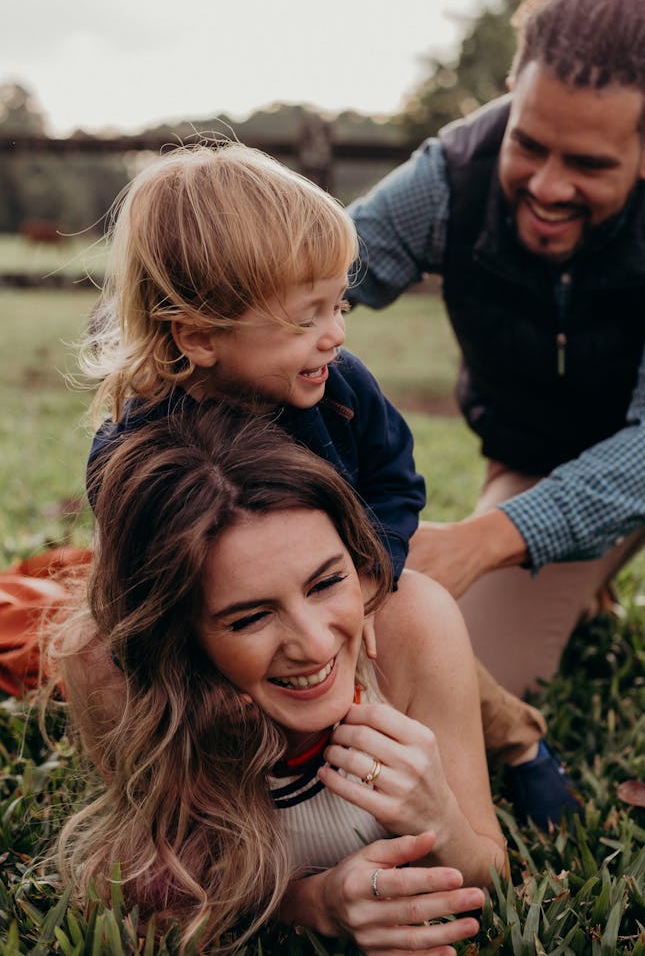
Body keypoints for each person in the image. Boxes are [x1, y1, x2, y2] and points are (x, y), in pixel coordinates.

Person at [345, 0, 645, 750]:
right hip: (542, 461)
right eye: (530, 144)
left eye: (589, 163)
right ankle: (581, 566)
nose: (547, 184)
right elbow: (309, 274)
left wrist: (482, 541)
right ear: (509, 97)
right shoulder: (449, 172)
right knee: (451, 676)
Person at [81, 140, 576, 824]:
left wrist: (370, 575)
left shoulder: (340, 389)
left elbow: (397, 483)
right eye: (304, 316)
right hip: (225, 624)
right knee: (98, 655)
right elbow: (133, 575)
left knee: (423, 627)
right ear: (197, 336)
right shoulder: (135, 448)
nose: (335, 333)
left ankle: (520, 743)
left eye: (338, 304)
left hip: (340, 591)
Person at [54, 403, 506, 953]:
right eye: (250, 617)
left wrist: (442, 818)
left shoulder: (415, 622)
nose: (316, 644)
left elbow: (491, 870)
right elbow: (162, 894)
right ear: (178, 630)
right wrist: (317, 903)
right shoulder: (109, 667)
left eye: (327, 582)